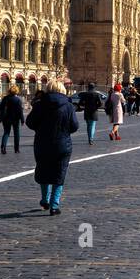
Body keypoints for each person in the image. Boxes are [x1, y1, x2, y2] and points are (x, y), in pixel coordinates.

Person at [27, 78, 80, 216]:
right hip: (62, 144)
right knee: (59, 173)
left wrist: (41, 127)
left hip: (42, 143)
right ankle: (54, 205)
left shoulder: (39, 104)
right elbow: (74, 126)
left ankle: (45, 200)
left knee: (43, 171)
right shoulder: (68, 106)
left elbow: (30, 122)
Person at [0, 85, 24, 154]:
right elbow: (20, 111)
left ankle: (3, 147)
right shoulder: (18, 100)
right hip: (15, 119)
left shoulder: (5, 98)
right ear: (16, 91)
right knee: (16, 133)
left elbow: (1, 108)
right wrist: (22, 120)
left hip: (6, 118)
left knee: (6, 132)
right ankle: (16, 149)